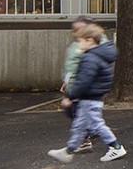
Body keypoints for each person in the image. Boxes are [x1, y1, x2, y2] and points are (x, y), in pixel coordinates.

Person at [49, 24, 126, 163]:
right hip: (91, 98)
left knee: (96, 125)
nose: (79, 44)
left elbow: (83, 81)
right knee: (80, 125)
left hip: (89, 99)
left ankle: (116, 147)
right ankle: (69, 150)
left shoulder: (90, 58)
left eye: (80, 41)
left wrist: (70, 96)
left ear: (89, 40)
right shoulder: (98, 56)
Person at [59, 16, 100, 155]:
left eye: (79, 29)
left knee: (78, 112)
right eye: (74, 29)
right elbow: (69, 66)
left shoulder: (91, 46)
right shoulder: (74, 46)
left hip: (82, 86)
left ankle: (85, 139)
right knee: (71, 110)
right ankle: (93, 130)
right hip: (73, 84)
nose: (75, 32)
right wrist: (66, 81)